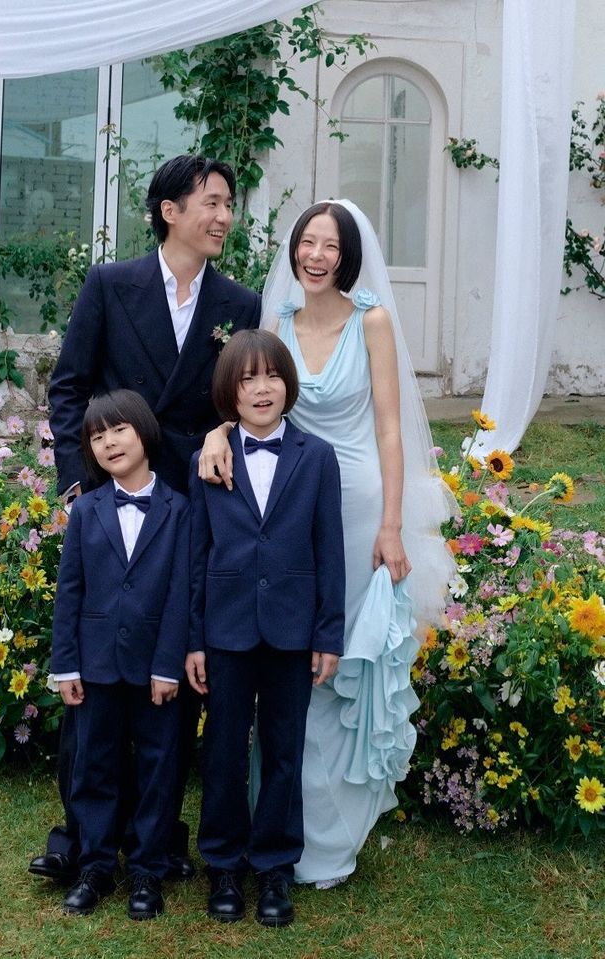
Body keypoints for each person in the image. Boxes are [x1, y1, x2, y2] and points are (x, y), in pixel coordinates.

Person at [199, 200, 455, 888]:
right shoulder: (275, 321)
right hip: (286, 504)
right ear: (294, 251)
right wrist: (216, 433)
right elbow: (247, 395)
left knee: (337, 661)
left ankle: (330, 834)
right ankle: (276, 827)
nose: (316, 256)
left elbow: (390, 427)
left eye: (330, 246)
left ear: (347, 256)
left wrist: (392, 523)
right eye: (307, 243)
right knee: (286, 653)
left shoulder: (371, 321)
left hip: (360, 505)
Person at [30, 155, 260, 885]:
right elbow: (69, 388)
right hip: (107, 500)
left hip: (189, 506)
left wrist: (222, 431)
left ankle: (157, 834)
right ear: (170, 210)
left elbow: (239, 398)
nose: (223, 216)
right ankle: (80, 834)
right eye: (212, 202)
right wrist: (78, 484)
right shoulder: (110, 284)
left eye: (229, 204)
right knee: (98, 670)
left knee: (174, 664)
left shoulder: (239, 302)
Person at [187, 329, 346, 926]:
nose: (261, 388)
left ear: (288, 385)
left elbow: (329, 550)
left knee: (284, 749)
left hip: (291, 629)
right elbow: (196, 555)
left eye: (272, 376)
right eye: (248, 378)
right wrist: (193, 640)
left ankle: (275, 867)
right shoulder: (208, 457)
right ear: (230, 391)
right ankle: (223, 864)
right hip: (225, 629)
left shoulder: (317, 457)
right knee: (224, 749)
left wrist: (327, 633)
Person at [50, 390, 190, 918]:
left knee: (158, 768)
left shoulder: (179, 510)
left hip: (155, 669)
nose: (108, 442)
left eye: (118, 429)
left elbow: (180, 594)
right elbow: (70, 592)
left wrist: (168, 665)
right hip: (96, 666)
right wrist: (66, 664)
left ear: (144, 432)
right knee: (94, 766)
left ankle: (148, 870)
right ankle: (96, 866)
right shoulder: (86, 510)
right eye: (96, 435)